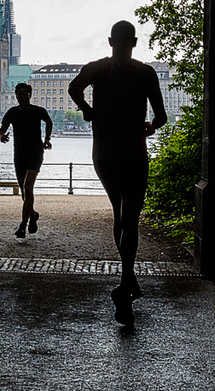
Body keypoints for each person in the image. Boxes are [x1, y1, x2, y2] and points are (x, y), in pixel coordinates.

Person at [68, 21, 167, 325]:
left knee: (118, 212)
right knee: (131, 219)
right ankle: (126, 281)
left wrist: (87, 108)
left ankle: (127, 280)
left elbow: (73, 88)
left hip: (105, 153)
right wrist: (150, 127)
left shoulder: (96, 69)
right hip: (134, 153)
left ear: (110, 40)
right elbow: (160, 116)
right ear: (134, 42)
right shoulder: (146, 72)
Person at [0, 83, 53, 240]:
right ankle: (33, 214)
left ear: (30, 95)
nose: (22, 96)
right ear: (16, 95)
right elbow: (2, 129)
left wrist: (47, 139)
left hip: (35, 153)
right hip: (19, 155)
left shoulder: (38, 111)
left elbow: (49, 122)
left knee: (28, 187)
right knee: (24, 190)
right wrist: (2, 136)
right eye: (19, 94)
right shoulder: (12, 113)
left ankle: (23, 225)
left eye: (24, 93)